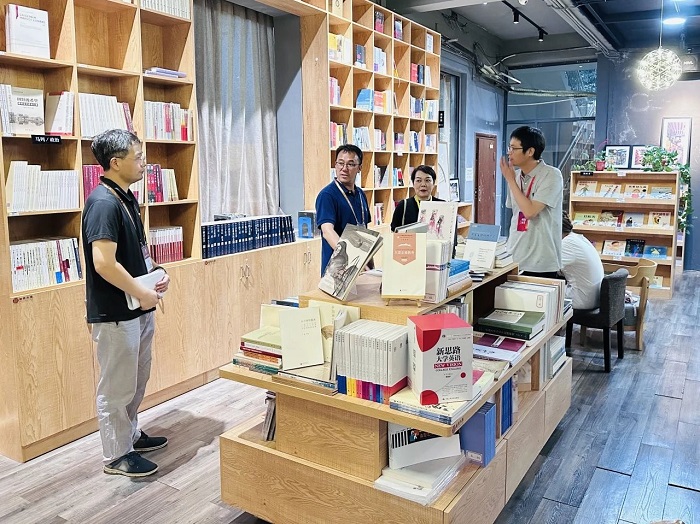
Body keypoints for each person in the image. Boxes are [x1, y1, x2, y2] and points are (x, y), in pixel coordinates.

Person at [82, 129, 170, 477]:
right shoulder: (103, 203)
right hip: (116, 312)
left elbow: (136, 253)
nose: (144, 162)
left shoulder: (125, 198)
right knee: (116, 387)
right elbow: (103, 263)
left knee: (136, 379)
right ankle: (117, 455)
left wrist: (157, 273)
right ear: (115, 163)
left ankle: (129, 435)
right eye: (138, 156)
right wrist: (142, 291)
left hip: (138, 306)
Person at [501, 126, 563, 277]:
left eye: (514, 148)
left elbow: (529, 212)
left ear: (530, 151)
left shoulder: (552, 175)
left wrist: (510, 180)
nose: (509, 152)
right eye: (509, 147)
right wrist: (512, 180)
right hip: (515, 256)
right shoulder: (515, 176)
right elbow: (515, 213)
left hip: (541, 262)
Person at [315, 144, 372, 275]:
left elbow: (365, 233)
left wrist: (370, 265)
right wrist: (353, 259)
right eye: (340, 163)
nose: (344, 168)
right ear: (335, 165)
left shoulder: (361, 194)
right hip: (337, 272)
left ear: (360, 168)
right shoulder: (327, 195)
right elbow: (327, 231)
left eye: (350, 164)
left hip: (360, 267)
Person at [559, 211, 604, 310]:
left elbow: (549, 268)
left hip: (582, 299)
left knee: (540, 292)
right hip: (595, 297)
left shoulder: (567, 243)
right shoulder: (577, 238)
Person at [390, 165, 444, 231]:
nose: (423, 184)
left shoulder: (442, 205)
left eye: (427, 180)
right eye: (418, 180)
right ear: (413, 183)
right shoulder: (403, 205)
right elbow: (394, 232)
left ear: (433, 183)